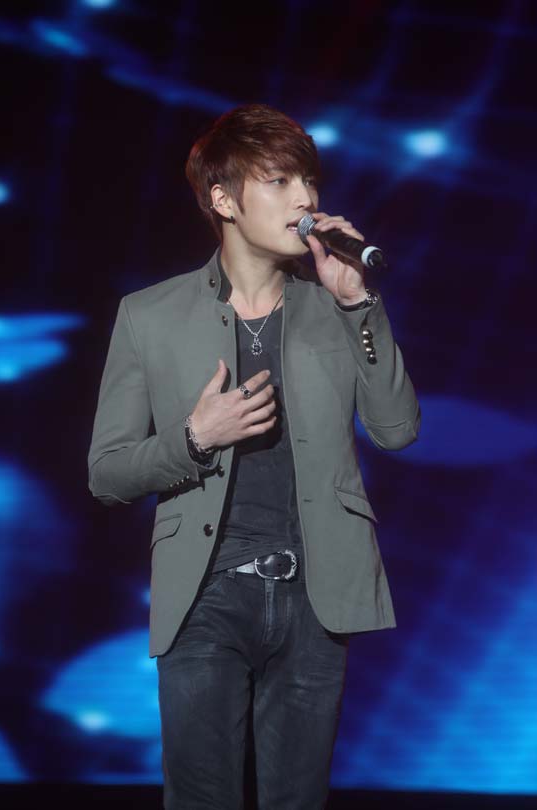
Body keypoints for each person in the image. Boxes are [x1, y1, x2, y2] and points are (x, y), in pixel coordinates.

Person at [88, 103, 420, 810]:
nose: (305, 199)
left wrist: (359, 306)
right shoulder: (149, 315)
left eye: (309, 180)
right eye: (279, 181)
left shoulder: (334, 307)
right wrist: (194, 438)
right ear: (223, 199)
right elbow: (107, 472)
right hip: (204, 594)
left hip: (316, 596)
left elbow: (396, 430)